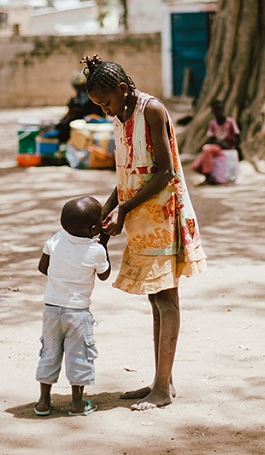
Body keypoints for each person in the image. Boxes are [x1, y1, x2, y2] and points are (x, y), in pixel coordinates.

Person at [82, 54, 207, 410]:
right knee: (156, 298)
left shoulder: (151, 110)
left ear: (122, 90)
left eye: (106, 103)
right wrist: (108, 209)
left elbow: (166, 172)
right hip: (140, 216)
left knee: (166, 299)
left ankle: (163, 389)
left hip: (163, 215)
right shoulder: (123, 117)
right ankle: (161, 380)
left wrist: (124, 208)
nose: (105, 111)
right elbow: (128, 174)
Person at [35, 195, 111, 417]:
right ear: (95, 227)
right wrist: (103, 242)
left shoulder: (56, 239)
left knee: (49, 352)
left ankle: (43, 402)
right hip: (78, 313)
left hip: (51, 309)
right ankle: (77, 403)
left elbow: (43, 268)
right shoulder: (96, 250)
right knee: (79, 355)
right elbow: (105, 275)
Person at [190, 99, 240, 184]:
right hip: (217, 147)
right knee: (195, 166)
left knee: (206, 149)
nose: (218, 112)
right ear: (213, 112)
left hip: (226, 147)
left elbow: (237, 138)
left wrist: (228, 145)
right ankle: (210, 177)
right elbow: (211, 139)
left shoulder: (230, 122)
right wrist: (219, 144)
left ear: (223, 110)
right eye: (216, 110)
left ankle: (208, 176)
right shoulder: (212, 123)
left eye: (220, 109)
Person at [55, 72, 103, 145]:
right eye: (79, 88)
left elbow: (99, 116)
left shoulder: (96, 101)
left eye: (82, 88)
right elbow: (69, 113)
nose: (81, 91)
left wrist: (92, 117)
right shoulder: (74, 101)